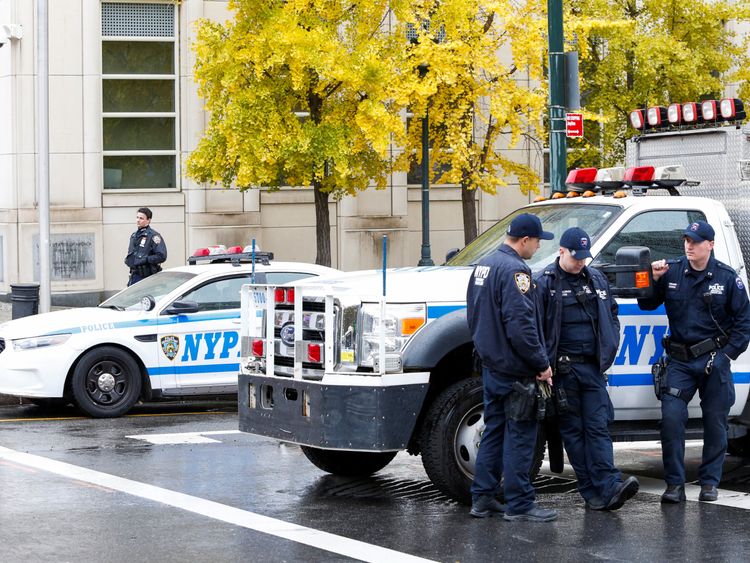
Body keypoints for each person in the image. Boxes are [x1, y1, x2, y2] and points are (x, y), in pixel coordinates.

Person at [639, 220, 750, 503]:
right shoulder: (673, 271)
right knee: (672, 420)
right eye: (687, 240)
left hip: (714, 359)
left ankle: (710, 483)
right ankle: (674, 484)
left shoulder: (726, 278)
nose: (689, 245)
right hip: (679, 361)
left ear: (709, 245)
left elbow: (744, 324)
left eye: (696, 241)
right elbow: (647, 304)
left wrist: (726, 356)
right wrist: (652, 279)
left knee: (715, 422)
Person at [535, 227, 639, 511]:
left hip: (592, 369)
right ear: (561, 251)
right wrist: (543, 365)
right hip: (562, 372)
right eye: (575, 256)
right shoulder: (545, 282)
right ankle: (591, 491)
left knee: (598, 427)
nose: (580, 261)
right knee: (574, 432)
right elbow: (534, 327)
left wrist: (611, 343)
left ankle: (609, 485)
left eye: (584, 256)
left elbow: (612, 314)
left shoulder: (596, 278)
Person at [466, 213, 558, 523]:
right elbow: (521, 325)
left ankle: (482, 498)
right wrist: (541, 364)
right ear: (524, 240)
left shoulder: (484, 264)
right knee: (521, 435)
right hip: (516, 370)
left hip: (492, 365)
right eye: (536, 241)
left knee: (494, 430)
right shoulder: (516, 270)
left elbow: (474, 315)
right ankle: (520, 504)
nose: (537, 247)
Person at [125, 207, 167, 286]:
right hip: (134, 275)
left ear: (148, 220)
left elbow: (162, 256)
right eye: (137, 217)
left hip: (147, 277)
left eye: (141, 218)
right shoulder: (134, 236)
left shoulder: (153, 236)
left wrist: (146, 259)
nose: (138, 220)